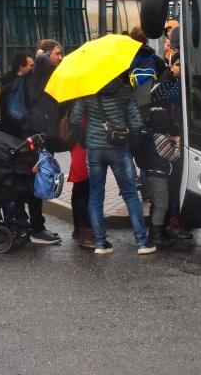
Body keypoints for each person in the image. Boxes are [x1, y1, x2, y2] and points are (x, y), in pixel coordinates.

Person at [69, 72, 155, 255]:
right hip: (119, 148)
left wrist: (84, 140)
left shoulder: (87, 91)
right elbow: (137, 123)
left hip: (94, 149)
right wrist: (132, 142)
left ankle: (100, 243)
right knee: (131, 194)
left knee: (95, 194)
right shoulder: (124, 90)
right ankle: (141, 242)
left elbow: (75, 119)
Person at [19, 40, 63, 244]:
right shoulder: (37, 75)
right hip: (37, 137)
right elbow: (41, 62)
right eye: (57, 53)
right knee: (36, 182)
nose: (60, 57)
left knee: (37, 181)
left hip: (43, 136)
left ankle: (33, 225)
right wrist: (41, 55)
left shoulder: (47, 77)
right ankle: (36, 228)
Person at [142, 54, 183, 247]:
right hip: (160, 172)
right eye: (177, 64)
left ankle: (159, 230)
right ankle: (156, 234)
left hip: (153, 171)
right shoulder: (162, 89)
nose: (181, 67)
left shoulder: (151, 137)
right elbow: (173, 156)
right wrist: (176, 142)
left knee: (159, 203)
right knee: (161, 203)